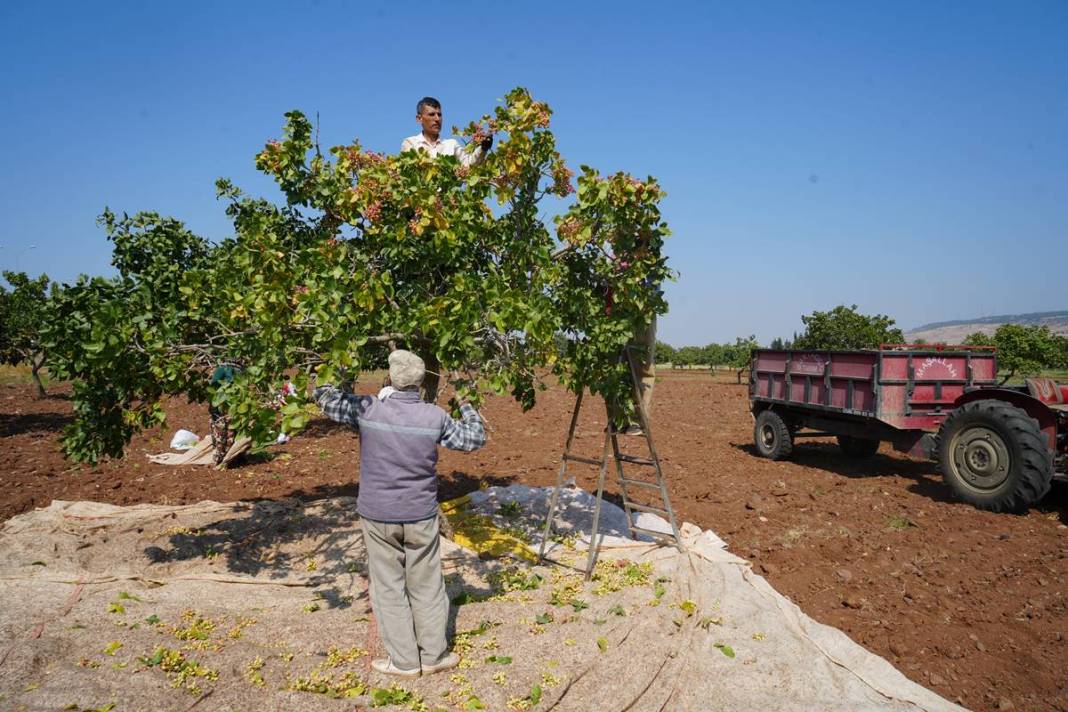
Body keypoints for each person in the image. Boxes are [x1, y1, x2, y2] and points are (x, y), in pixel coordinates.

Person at [313, 349, 486, 677]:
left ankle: (404, 662)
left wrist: (339, 367)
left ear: (390, 378)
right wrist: (465, 401)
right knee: (428, 584)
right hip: (420, 514)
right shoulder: (433, 417)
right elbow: (475, 438)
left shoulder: (368, 409)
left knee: (388, 586)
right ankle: (434, 656)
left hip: (378, 514)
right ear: (421, 383)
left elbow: (323, 397)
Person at [401, 96, 492, 167]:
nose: (437, 119)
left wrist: (483, 148)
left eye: (439, 115)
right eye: (432, 114)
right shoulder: (410, 143)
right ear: (419, 118)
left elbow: (468, 165)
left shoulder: (451, 145)